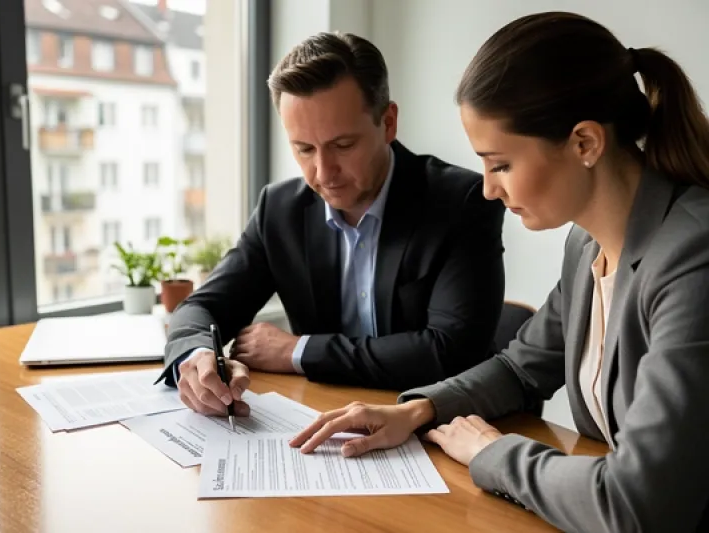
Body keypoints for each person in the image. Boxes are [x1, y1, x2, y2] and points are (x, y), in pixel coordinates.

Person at [290, 11, 709, 533]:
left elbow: (637, 503)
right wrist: (418, 410)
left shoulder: (692, 257)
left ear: (585, 143)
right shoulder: (587, 245)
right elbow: (520, 368)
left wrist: (493, 453)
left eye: (502, 164)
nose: (489, 189)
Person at [156, 31, 506, 417]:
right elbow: (202, 307)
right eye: (304, 149)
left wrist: (298, 351)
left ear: (388, 123)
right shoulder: (280, 209)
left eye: (343, 145)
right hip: (324, 419)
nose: (323, 172)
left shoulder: (462, 201)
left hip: (439, 423)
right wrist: (197, 356)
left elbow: (450, 353)